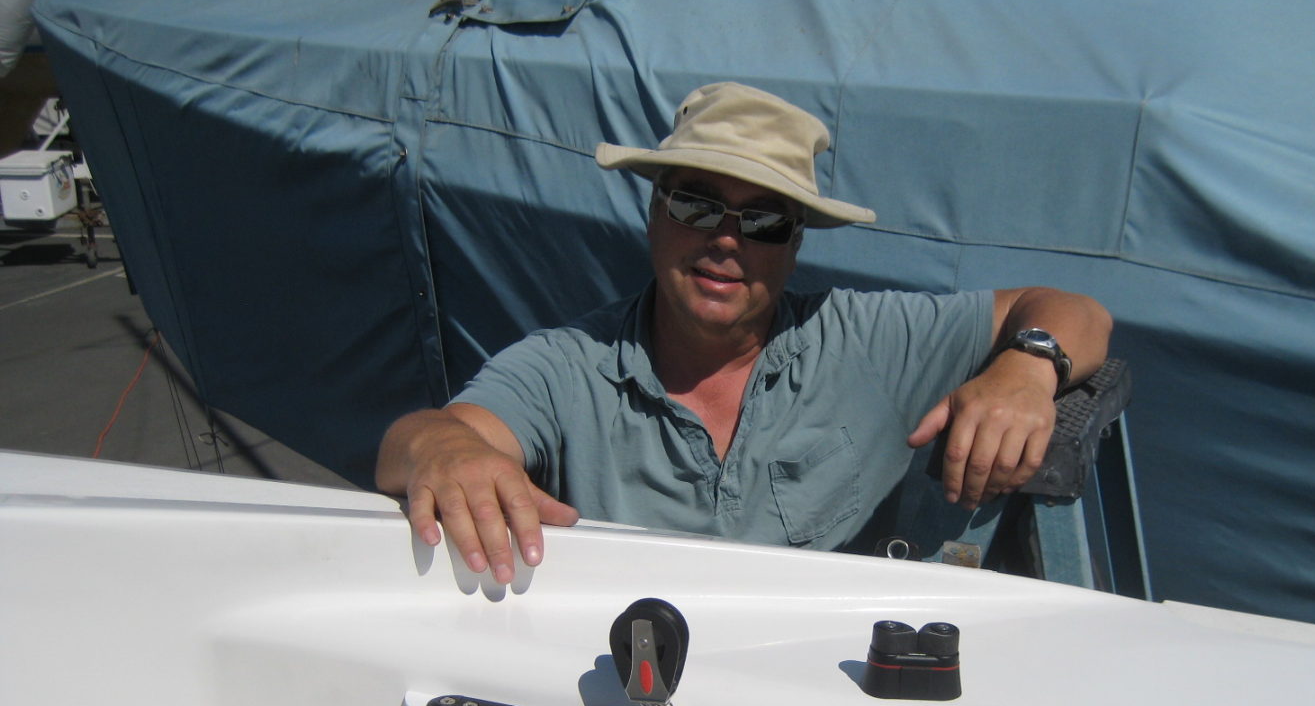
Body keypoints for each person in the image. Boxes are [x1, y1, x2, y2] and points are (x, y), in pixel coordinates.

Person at [377, 82, 1111, 584]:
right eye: (698, 205)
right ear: (654, 215)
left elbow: (1077, 310)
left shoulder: (862, 337)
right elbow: (423, 440)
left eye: (764, 221)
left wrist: (1027, 366)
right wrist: (444, 451)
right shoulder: (567, 365)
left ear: (794, 247)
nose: (728, 242)